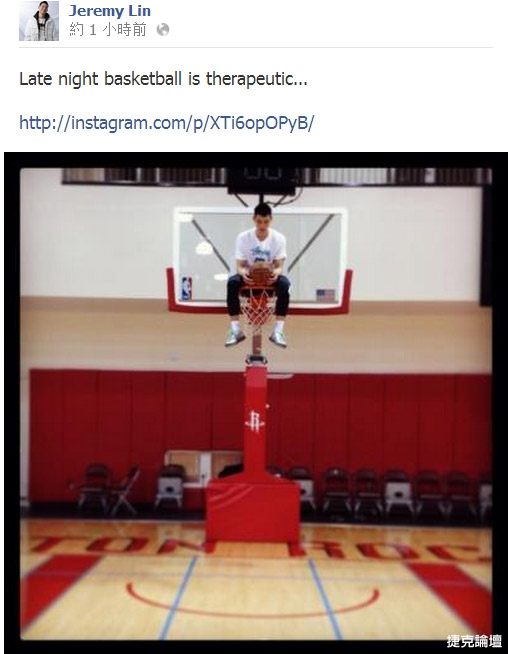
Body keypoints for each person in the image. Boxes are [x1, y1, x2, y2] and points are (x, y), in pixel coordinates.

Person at [225, 202, 290, 348]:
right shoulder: (243, 237)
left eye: (266, 221)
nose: (262, 225)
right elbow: (240, 266)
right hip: (249, 276)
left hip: (269, 277)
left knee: (285, 284)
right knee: (232, 282)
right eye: (259, 221)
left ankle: (278, 331)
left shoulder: (279, 238)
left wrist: (274, 274)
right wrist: (245, 274)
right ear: (254, 219)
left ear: (271, 219)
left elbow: (279, 266)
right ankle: (235, 330)